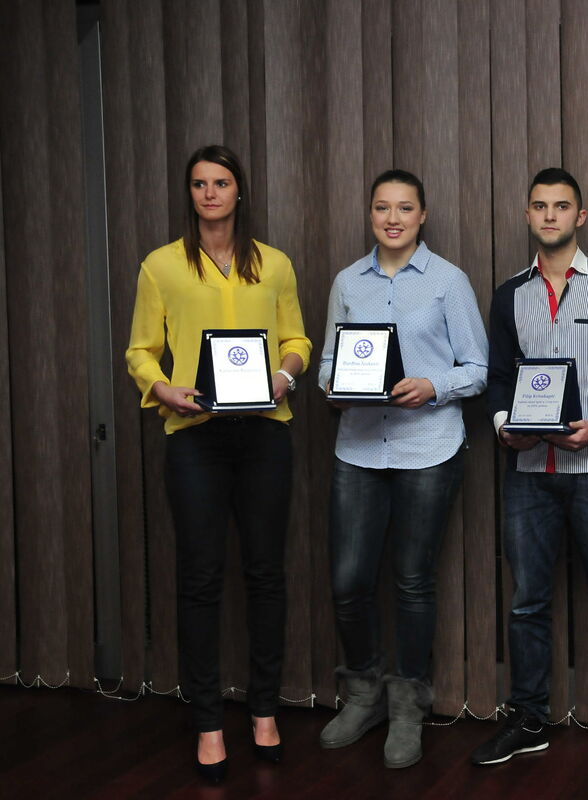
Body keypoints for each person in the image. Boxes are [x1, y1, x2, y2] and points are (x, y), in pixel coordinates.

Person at [126, 144, 311, 783]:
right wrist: (164, 388)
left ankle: (264, 712)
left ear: (239, 191)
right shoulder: (161, 266)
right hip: (195, 439)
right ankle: (208, 723)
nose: (210, 193)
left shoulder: (275, 264)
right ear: (191, 193)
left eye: (221, 182)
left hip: (265, 436)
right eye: (200, 183)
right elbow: (140, 350)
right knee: (201, 580)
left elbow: (296, 340)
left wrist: (285, 377)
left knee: (265, 576)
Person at [470, 168, 588, 776]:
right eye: (539, 206)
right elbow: (499, 377)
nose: (549, 215)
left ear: (580, 216)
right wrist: (505, 424)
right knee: (527, 603)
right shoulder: (508, 295)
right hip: (528, 469)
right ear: (528, 215)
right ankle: (527, 719)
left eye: (561, 206)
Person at [316, 169, 488, 768]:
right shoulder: (347, 282)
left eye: (405, 208)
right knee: (349, 580)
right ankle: (364, 695)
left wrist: (433, 386)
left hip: (428, 447)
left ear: (422, 215)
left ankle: (409, 705)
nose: (393, 218)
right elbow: (329, 362)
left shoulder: (448, 281)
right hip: (359, 448)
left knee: (413, 582)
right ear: (370, 215)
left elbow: (478, 368)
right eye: (382, 208)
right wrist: (335, 389)